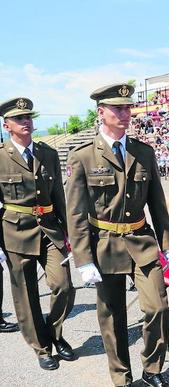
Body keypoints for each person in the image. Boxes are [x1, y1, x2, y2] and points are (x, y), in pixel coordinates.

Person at [65, 83, 169, 387]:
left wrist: (167, 244)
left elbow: (157, 204)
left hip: (142, 240)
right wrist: (83, 259)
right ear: (101, 112)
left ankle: (152, 368)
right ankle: (121, 376)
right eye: (118, 108)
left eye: (128, 108)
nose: (125, 114)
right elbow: (75, 213)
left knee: (159, 308)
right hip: (104, 245)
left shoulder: (143, 152)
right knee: (112, 317)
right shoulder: (84, 157)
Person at [0, 98, 75, 370]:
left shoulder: (48, 153)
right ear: (7, 125)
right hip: (14, 231)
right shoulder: (0, 156)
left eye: (29, 117)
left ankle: (54, 334)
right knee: (26, 294)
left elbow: (59, 196)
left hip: (50, 228)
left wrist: (69, 231)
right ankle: (41, 348)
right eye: (20, 119)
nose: (27, 122)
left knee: (63, 286)